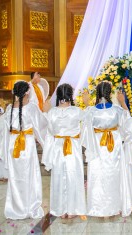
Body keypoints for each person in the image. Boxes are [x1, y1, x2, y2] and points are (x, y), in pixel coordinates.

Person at [81, 81, 132, 217]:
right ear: (110, 93)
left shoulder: (91, 110)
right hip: (113, 144)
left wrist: (86, 104)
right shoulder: (117, 109)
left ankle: (98, 207)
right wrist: (123, 102)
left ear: (97, 93)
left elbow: (85, 130)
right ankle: (115, 206)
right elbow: (127, 125)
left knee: (98, 174)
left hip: (97, 144)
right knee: (113, 173)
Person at [0, 81, 47, 220]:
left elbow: (5, 133)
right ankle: (30, 207)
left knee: (15, 177)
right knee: (30, 176)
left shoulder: (9, 109)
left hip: (13, 146)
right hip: (27, 145)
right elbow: (42, 125)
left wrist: (2, 151)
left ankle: (16, 208)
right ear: (27, 92)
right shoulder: (32, 107)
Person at [42, 84, 86, 219]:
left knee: (59, 176)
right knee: (73, 176)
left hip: (58, 147)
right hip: (72, 146)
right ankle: (73, 209)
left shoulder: (52, 112)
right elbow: (86, 126)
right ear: (70, 95)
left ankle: (60, 209)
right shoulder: (77, 111)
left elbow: (49, 132)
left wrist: (45, 112)